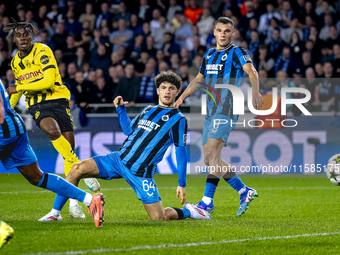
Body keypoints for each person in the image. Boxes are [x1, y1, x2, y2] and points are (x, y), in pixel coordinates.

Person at [40, 71, 212, 222]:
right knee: (76, 169)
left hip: (141, 174)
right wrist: (121, 110)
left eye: (172, 88)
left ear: (177, 91)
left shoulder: (178, 120)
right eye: (164, 87)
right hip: (118, 160)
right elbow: (129, 130)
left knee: (160, 218)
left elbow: (180, 152)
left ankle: (190, 211)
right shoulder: (148, 110)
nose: (167, 91)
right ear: (158, 90)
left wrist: (181, 183)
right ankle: (55, 213)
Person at [4, 19, 100, 219]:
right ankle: (77, 164)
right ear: (14, 39)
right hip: (38, 104)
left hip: (58, 100)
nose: (22, 38)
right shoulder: (15, 62)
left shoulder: (42, 51)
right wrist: (7, 109)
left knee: (67, 153)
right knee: (52, 131)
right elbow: (15, 90)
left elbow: (47, 80)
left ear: (31, 36)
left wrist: (19, 88)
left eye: (25, 35)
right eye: (18, 36)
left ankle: (68, 206)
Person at [175, 17, 263, 216]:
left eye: (227, 30)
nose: (223, 34)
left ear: (233, 33)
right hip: (211, 111)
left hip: (227, 109)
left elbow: (252, 71)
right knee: (209, 159)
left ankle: (208, 201)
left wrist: (256, 92)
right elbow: (199, 80)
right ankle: (242, 191)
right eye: (219, 30)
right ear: (214, 32)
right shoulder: (208, 55)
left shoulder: (238, 52)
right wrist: (182, 97)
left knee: (213, 156)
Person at [0, 79, 104, 228]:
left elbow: (0, 114)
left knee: (60, 149)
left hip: (4, 133)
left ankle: (78, 166)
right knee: (36, 177)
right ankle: (90, 200)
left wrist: (20, 87)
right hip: (15, 128)